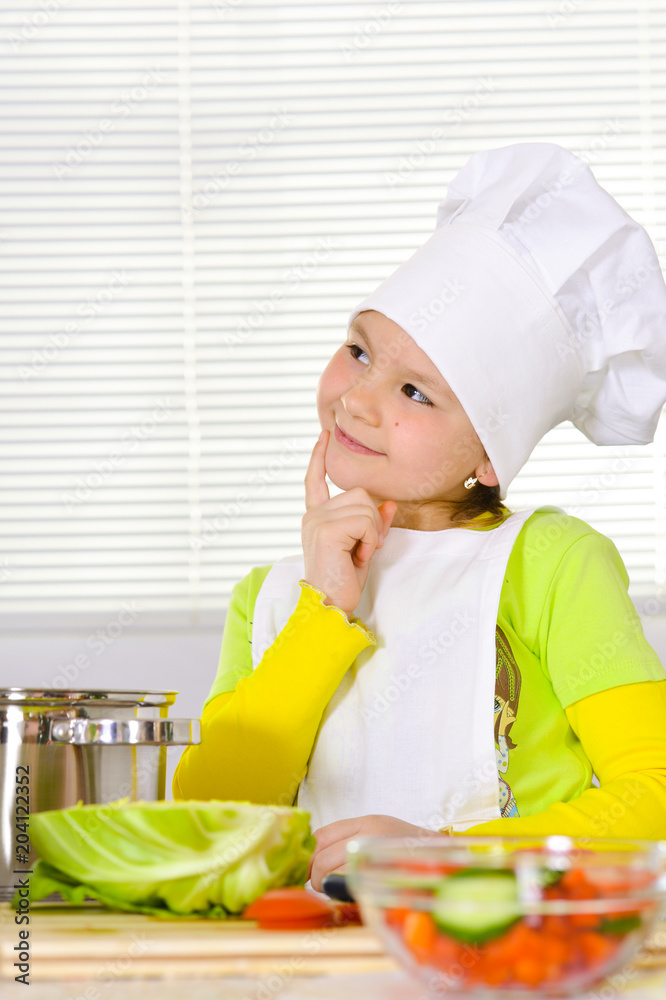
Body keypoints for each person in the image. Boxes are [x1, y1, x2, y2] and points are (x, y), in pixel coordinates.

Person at [173, 143, 666, 891]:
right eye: (359, 350)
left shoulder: (551, 564)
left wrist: (451, 856)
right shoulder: (271, 597)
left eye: (416, 393)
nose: (359, 398)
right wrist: (323, 610)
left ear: (490, 454)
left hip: (504, 957)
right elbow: (208, 826)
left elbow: (653, 800)